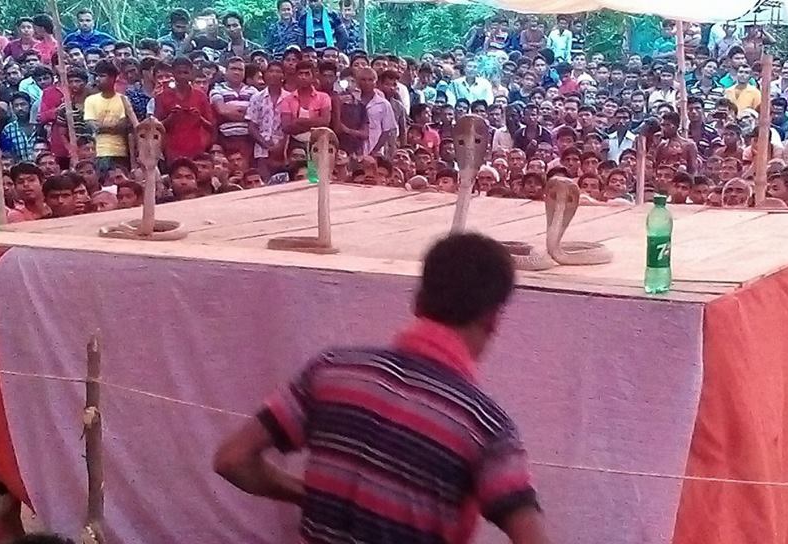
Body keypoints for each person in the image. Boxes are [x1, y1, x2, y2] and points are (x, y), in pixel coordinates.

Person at [212, 232, 549, 543]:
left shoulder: (331, 371)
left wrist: (310, 494)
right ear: (493, 319)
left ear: (417, 302)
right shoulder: (483, 426)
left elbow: (232, 459)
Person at [156, 57, 215, 163]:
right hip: (172, 151)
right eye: (179, 72)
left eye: (185, 72)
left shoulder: (200, 96)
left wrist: (199, 118)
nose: (182, 76)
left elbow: (211, 126)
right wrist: (171, 118)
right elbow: (157, 127)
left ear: (191, 73)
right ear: (173, 73)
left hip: (197, 150)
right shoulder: (162, 96)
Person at [84, 60, 132, 174]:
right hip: (100, 152)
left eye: (102, 76)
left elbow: (123, 126)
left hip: (121, 152)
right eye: (96, 76)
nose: (97, 79)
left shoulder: (123, 99)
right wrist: (111, 127)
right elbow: (93, 126)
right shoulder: (90, 100)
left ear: (113, 78)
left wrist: (103, 127)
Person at [211, 56, 257, 168]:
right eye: (233, 69)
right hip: (226, 139)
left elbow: (257, 115)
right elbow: (222, 110)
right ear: (226, 71)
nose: (236, 72)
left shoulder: (253, 91)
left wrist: (231, 110)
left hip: (249, 139)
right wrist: (247, 113)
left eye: (240, 69)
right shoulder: (217, 89)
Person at [279, 60, 332, 154]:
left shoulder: (323, 97)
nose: (303, 77)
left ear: (313, 77)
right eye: (300, 74)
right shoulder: (287, 99)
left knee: (316, 164)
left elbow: (325, 122)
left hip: (319, 143)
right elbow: (286, 127)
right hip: (295, 144)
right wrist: (313, 124)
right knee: (297, 163)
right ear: (295, 76)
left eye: (307, 74)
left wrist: (299, 121)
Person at [356, 67, 395, 157]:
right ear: (358, 82)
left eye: (370, 80)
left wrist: (374, 152)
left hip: (374, 150)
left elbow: (386, 131)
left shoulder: (384, 104)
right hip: (354, 150)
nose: (367, 83)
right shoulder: (351, 101)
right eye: (363, 79)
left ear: (376, 83)